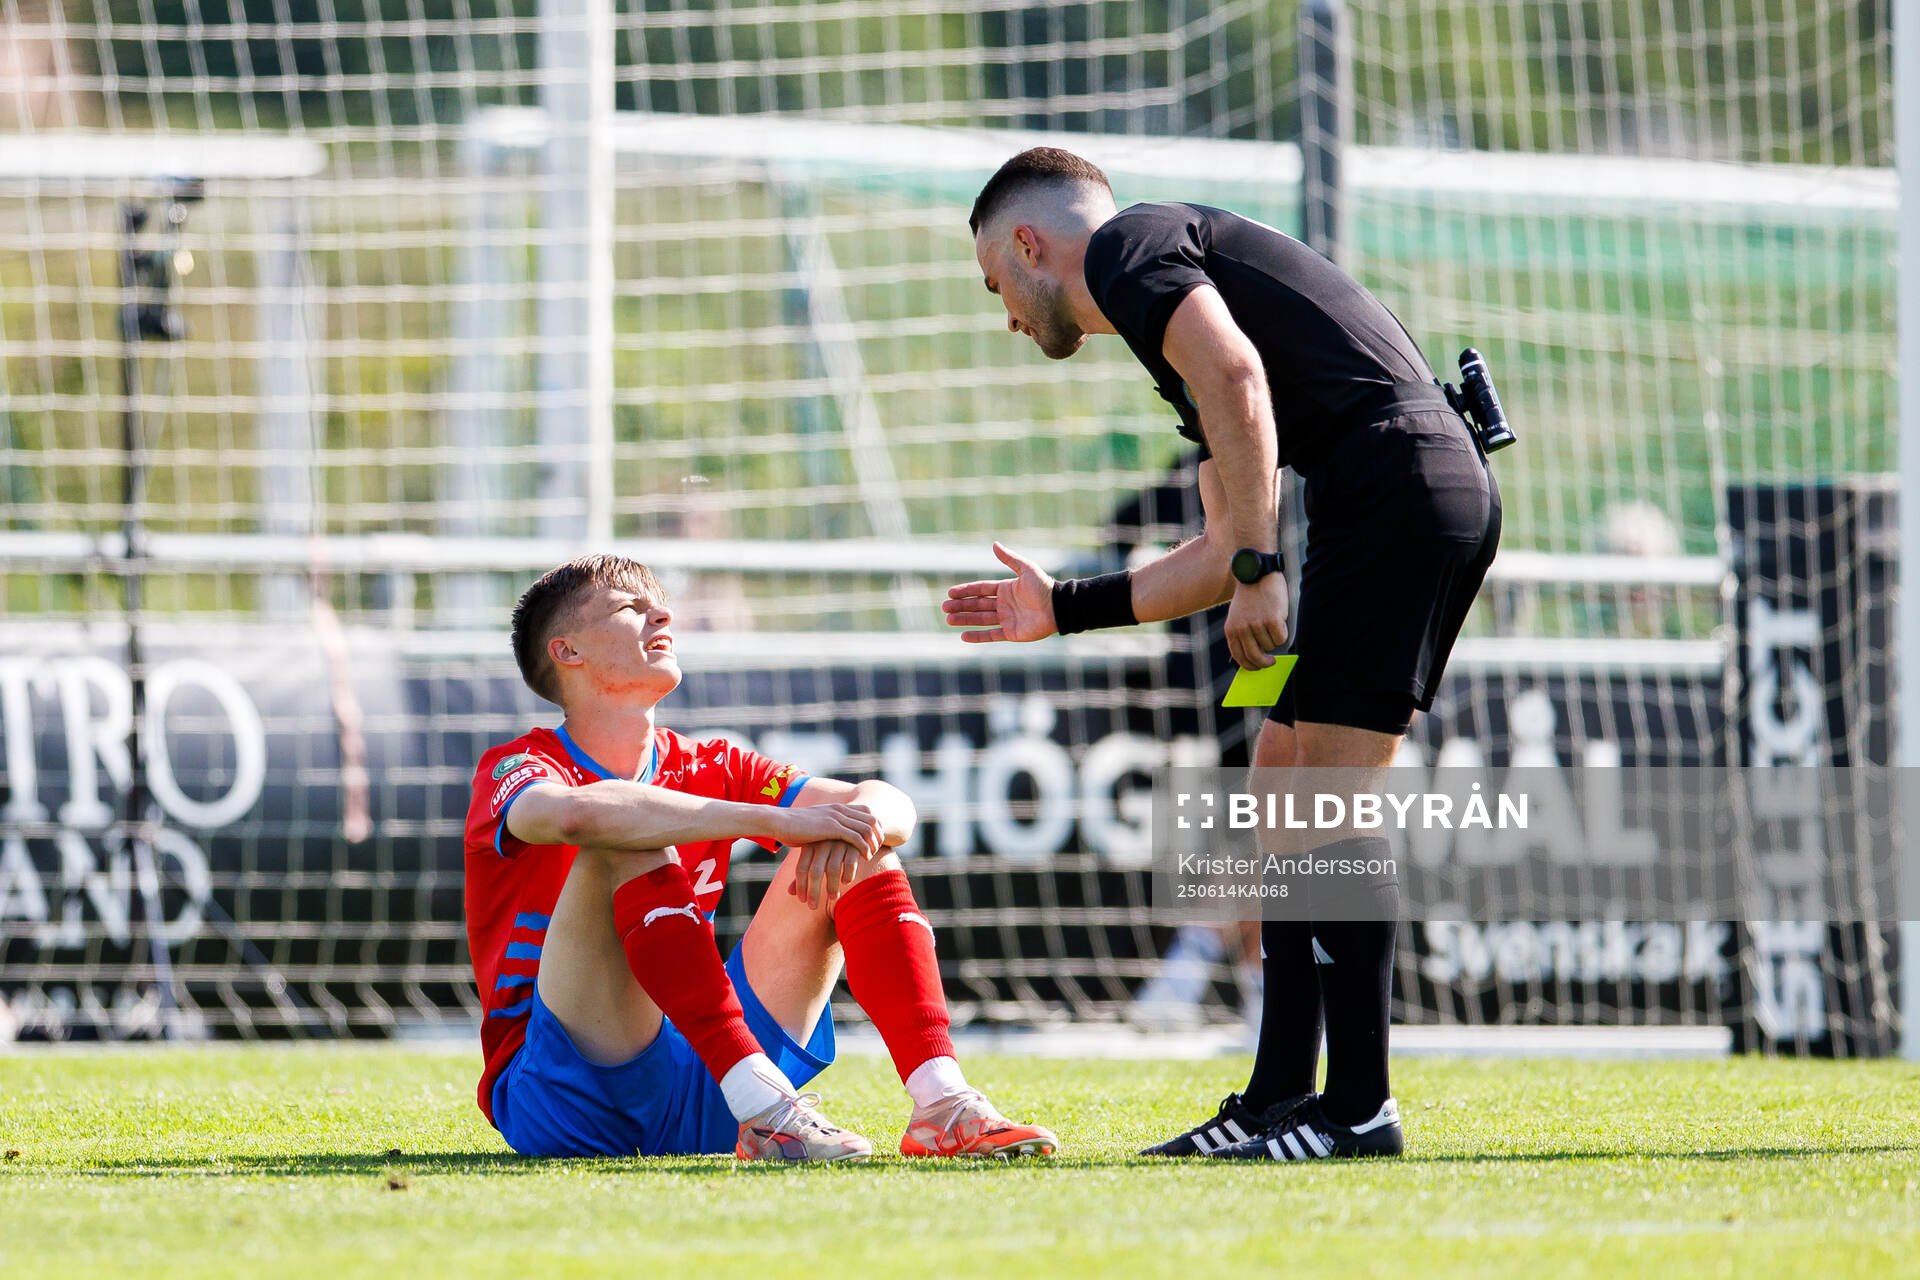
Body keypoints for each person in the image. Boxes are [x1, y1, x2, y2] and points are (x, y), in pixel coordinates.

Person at [946, 149, 1502, 1161]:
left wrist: (1259, 563)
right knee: (1280, 778)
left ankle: (1359, 1107)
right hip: (1374, 492)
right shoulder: (1171, 330)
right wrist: (1062, 609)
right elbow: (1211, 552)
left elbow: (1240, 386)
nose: (1009, 316)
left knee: (1325, 805)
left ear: (1030, 245)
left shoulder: (1127, 247)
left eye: (999, 285)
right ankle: (1281, 1091)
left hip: (1398, 486)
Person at [463, 554, 1059, 1162]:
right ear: (566, 652)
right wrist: (774, 820)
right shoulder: (515, 766)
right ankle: (767, 1109)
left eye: (659, 603)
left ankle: (942, 1103)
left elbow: (890, 803)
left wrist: (862, 820)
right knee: (623, 840)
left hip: (711, 1084)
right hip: (566, 1097)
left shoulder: (712, 762)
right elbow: (576, 816)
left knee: (857, 840)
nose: (661, 614)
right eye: (629, 608)